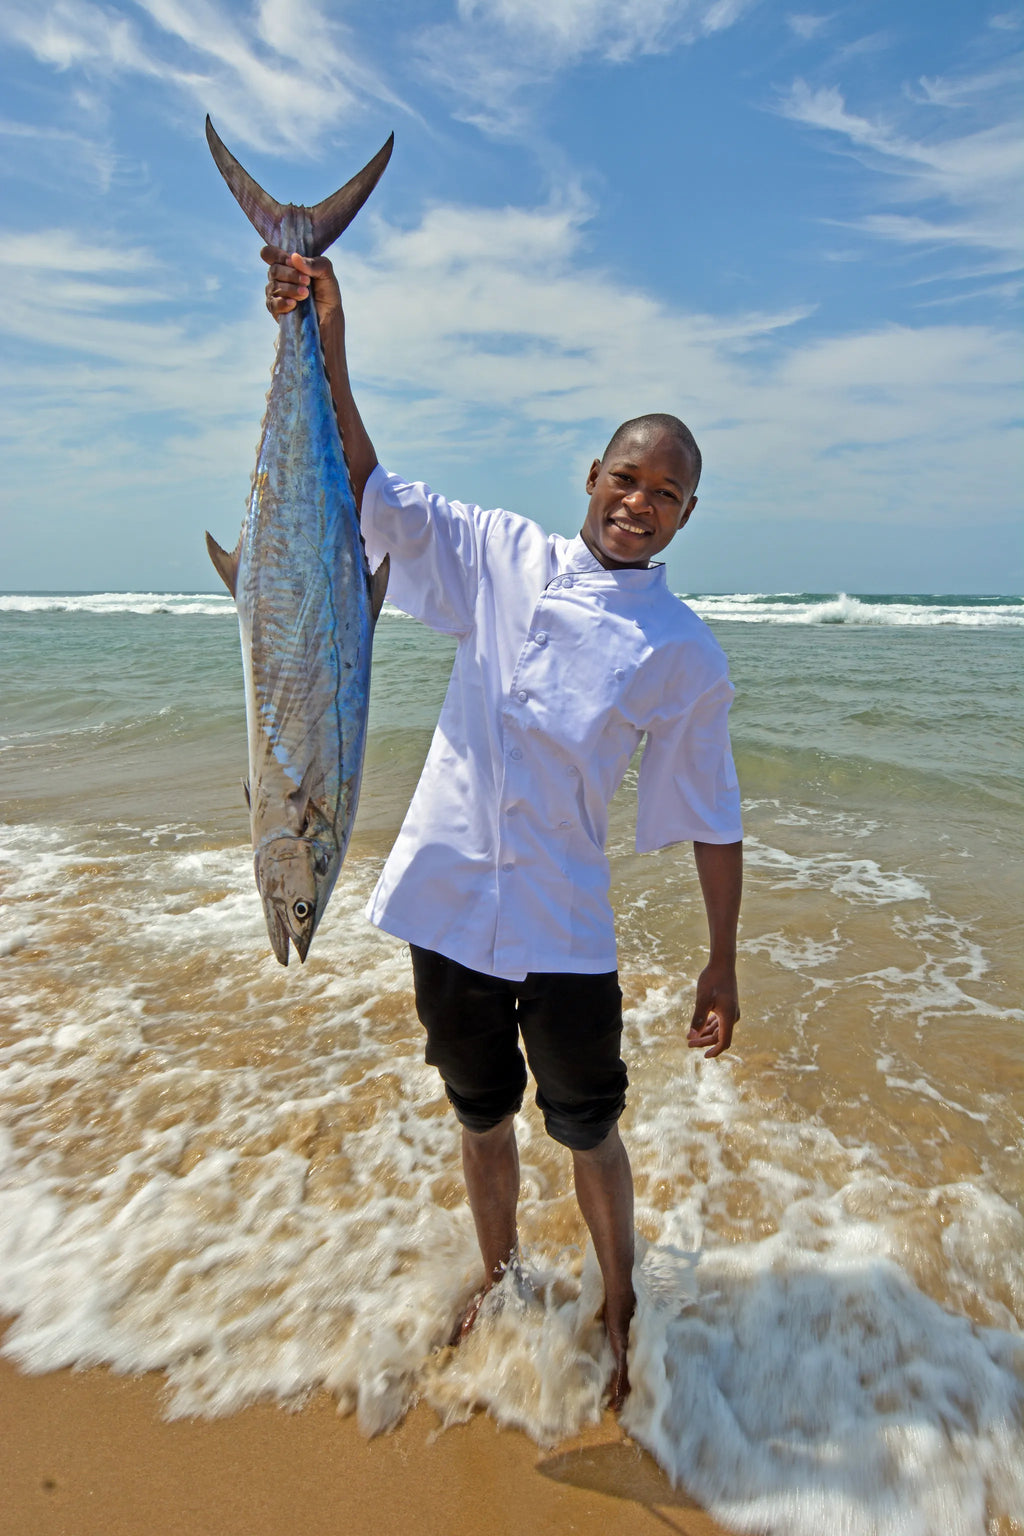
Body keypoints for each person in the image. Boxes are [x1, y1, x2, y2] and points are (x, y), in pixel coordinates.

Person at [263, 246, 743, 1410]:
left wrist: (722, 959)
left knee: (589, 1130)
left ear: (686, 514)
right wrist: (326, 329)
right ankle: (498, 1275)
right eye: (626, 478)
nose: (638, 503)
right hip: (447, 906)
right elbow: (365, 485)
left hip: (562, 928)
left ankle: (619, 1303)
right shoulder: (499, 556)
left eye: (664, 494)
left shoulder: (681, 650)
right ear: (593, 475)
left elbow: (712, 815)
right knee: (479, 1119)